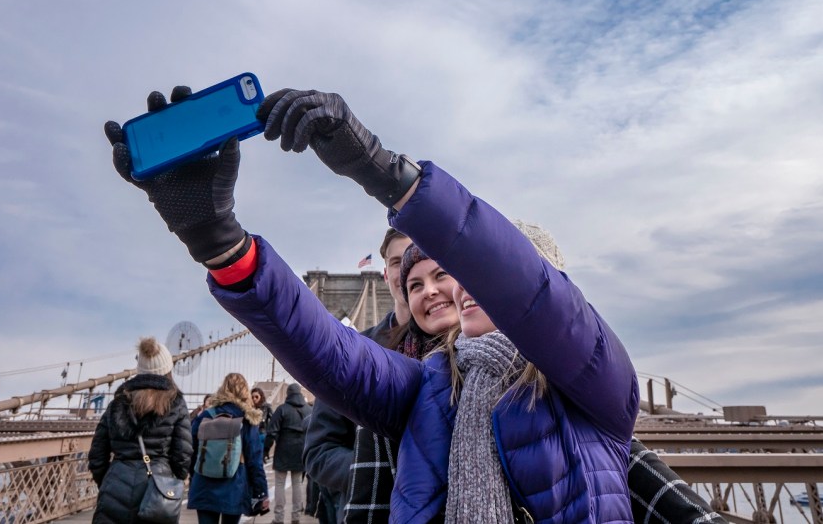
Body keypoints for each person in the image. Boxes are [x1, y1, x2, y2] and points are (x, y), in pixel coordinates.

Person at [106, 87, 640, 522]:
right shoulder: (433, 384)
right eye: (418, 282)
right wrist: (221, 244)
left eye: (460, 270)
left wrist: (386, 173)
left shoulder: (596, 381)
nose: (453, 288)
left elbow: (529, 293)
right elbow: (332, 353)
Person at [302, 227, 412, 523]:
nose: (406, 271)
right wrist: (371, 473)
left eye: (416, 257)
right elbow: (319, 451)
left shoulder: (462, 348)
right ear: (386, 275)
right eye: (396, 262)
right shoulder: (349, 356)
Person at [88, 337, 192, 524]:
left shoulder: (118, 402)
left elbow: (97, 453)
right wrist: (172, 480)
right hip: (158, 488)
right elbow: (182, 456)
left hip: (116, 485)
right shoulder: (176, 404)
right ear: (167, 369)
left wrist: (109, 481)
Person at [188, 372, 269, 523]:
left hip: (204, 484)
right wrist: (261, 492)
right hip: (234, 486)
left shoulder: (205, 415)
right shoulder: (246, 419)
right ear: (245, 392)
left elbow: (191, 449)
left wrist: (194, 476)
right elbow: (254, 460)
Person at [264, 382, 312, 524]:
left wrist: (266, 449)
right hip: (301, 451)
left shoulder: (282, 409)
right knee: (297, 483)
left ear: (288, 394)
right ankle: (296, 516)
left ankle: (279, 518)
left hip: (283, 450)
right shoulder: (309, 410)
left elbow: (271, 431)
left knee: (279, 483)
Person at [251, 386, 273, 459]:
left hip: (262, 433)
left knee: (258, 457)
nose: (254, 399)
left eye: (256, 397)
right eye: (252, 397)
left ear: (261, 396)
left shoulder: (266, 407)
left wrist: (269, 431)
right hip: (251, 435)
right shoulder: (249, 408)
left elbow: (273, 419)